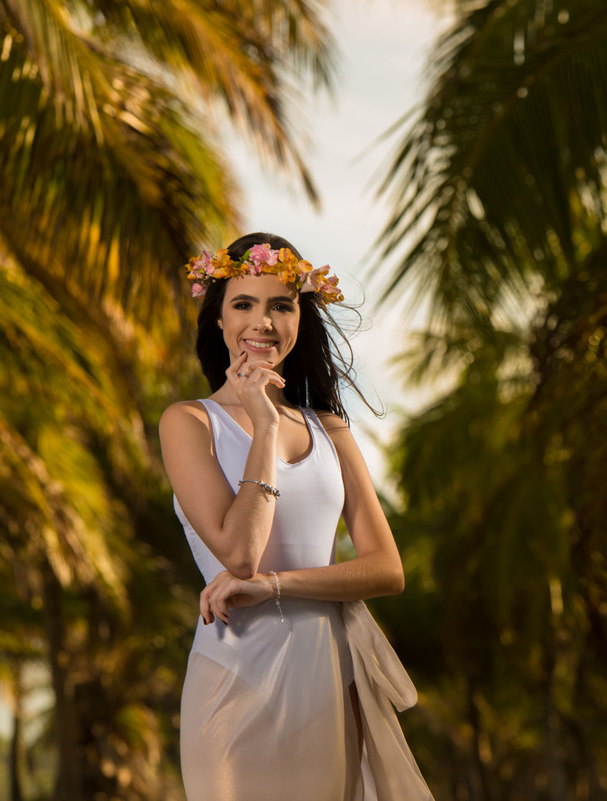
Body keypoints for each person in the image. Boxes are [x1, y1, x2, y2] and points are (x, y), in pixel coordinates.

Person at [159, 233, 432, 801]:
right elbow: (238, 554)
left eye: (281, 305)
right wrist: (261, 425)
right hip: (232, 681)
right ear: (218, 320)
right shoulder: (189, 423)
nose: (262, 322)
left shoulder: (330, 430)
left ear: (299, 320)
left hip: (328, 683)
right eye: (244, 304)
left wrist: (277, 586)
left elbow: (387, 569)